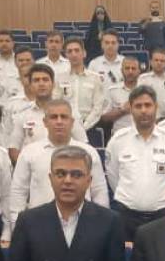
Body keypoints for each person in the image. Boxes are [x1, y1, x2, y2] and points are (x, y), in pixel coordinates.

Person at [6, 99, 108, 241]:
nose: (59, 121)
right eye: (54, 117)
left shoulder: (89, 152)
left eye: (64, 117)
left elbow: (99, 191)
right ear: (45, 122)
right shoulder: (29, 152)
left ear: (72, 122)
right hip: (39, 227)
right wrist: (16, 225)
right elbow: (18, 191)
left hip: (82, 226)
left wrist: (100, 225)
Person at [106, 86, 165, 239]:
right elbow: (113, 176)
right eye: (138, 106)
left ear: (156, 107)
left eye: (148, 105)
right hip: (125, 215)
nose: (143, 110)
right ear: (131, 109)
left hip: (162, 214)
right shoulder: (118, 140)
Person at [1, 64, 88, 159]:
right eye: (36, 80)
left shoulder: (69, 112)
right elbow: (14, 148)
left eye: (45, 80)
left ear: (53, 84)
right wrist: (26, 165)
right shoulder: (22, 114)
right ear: (30, 86)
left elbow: (83, 144)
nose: (41, 84)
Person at [59, 37, 106, 131]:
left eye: (77, 50)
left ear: (84, 53)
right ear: (66, 55)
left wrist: (84, 126)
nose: (73, 54)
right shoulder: (59, 78)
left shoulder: (96, 78)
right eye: (70, 51)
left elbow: (98, 108)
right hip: (65, 127)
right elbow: (56, 103)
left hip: (89, 127)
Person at [102, 56, 145, 134]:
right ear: (122, 70)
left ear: (139, 71)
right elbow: (104, 118)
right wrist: (122, 110)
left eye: (133, 68)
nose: (130, 71)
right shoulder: (112, 90)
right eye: (127, 68)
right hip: (120, 135)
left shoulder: (147, 90)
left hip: (142, 134)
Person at [138, 48, 165, 119]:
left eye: (162, 61)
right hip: (150, 118)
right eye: (156, 60)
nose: (159, 63)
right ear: (151, 62)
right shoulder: (143, 79)